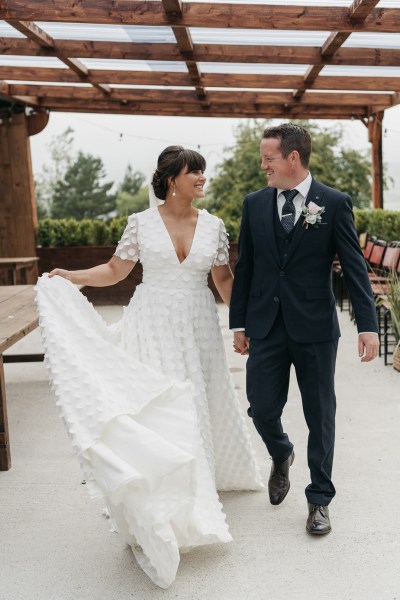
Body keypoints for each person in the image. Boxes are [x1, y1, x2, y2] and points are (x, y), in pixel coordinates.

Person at [35, 145, 263, 589]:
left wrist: (244, 324)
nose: (201, 177)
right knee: (159, 403)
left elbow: (223, 279)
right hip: (151, 321)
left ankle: (197, 478)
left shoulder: (214, 225)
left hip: (197, 322)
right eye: (193, 171)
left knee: (197, 397)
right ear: (171, 178)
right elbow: (117, 270)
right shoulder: (140, 223)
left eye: (203, 170)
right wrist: (74, 277)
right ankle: (156, 487)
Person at [229, 123, 379, 536]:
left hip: (314, 326)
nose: (263, 166)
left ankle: (319, 500)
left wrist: (367, 325)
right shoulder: (254, 203)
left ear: (293, 157)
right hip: (265, 326)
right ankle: (282, 453)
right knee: (260, 407)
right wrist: (239, 323)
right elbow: (246, 268)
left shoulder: (333, 202)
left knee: (320, 414)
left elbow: (354, 267)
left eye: (269, 158)